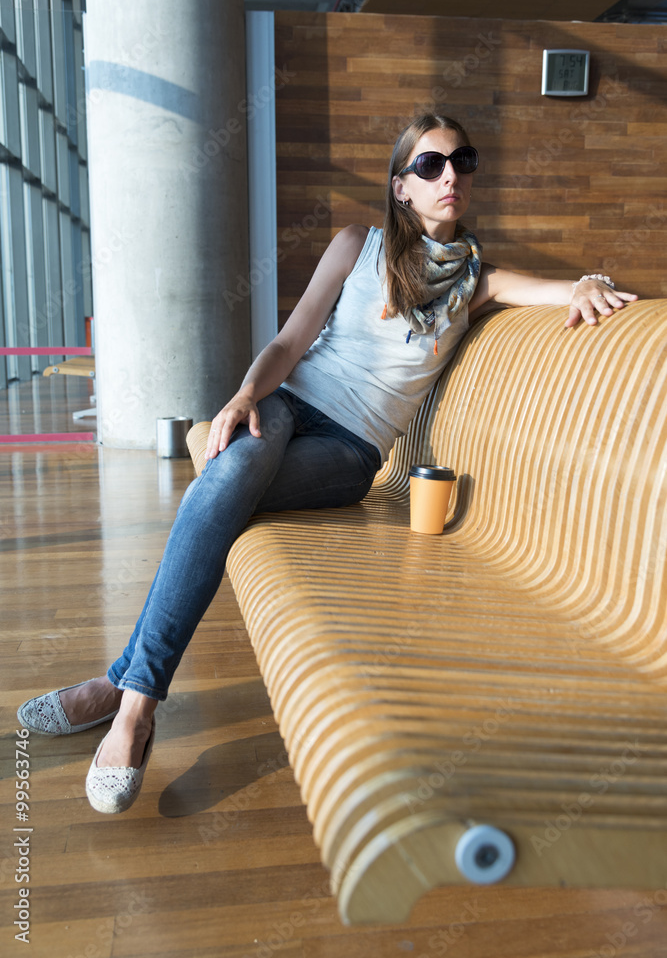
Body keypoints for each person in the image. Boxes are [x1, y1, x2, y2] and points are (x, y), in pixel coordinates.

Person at [17, 111, 638, 813]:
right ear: (401, 187)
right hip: (286, 406)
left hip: (350, 453)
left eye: (461, 161)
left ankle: (121, 690)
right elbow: (288, 342)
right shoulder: (356, 245)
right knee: (228, 477)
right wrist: (247, 395)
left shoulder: (478, 281)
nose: (450, 176)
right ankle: (135, 706)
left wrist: (587, 282)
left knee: (221, 488)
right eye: (429, 165)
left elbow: (566, 290)